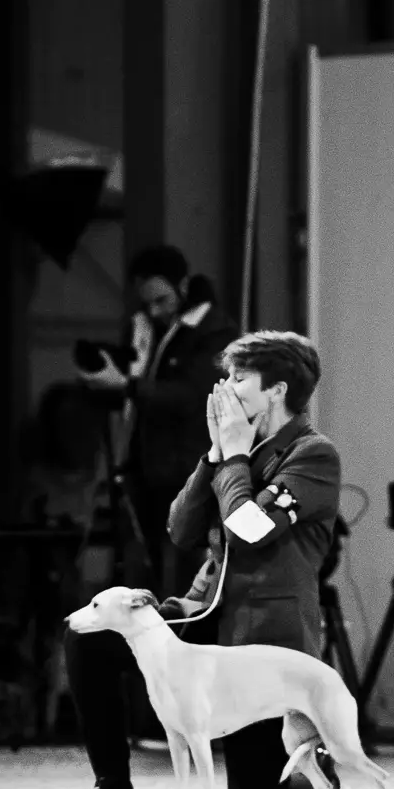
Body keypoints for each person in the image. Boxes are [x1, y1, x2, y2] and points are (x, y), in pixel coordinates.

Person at [53, 328, 341, 789]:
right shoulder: (234, 448)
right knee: (89, 638)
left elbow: (250, 530)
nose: (225, 389)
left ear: (277, 390)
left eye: (240, 378)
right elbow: (181, 530)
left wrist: (234, 458)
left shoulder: (313, 454)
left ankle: (322, 778)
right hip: (204, 612)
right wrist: (214, 456)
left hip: (261, 639)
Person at [75, 245, 236, 596]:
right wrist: (106, 382)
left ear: (183, 285)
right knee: (141, 569)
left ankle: (184, 626)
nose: (155, 310)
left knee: (186, 574)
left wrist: (127, 385)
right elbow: (138, 385)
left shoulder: (213, 331)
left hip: (188, 468)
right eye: (147, 302)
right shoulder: (145, 328)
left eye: (162, 300)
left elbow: (194, 396)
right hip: (143, 467)